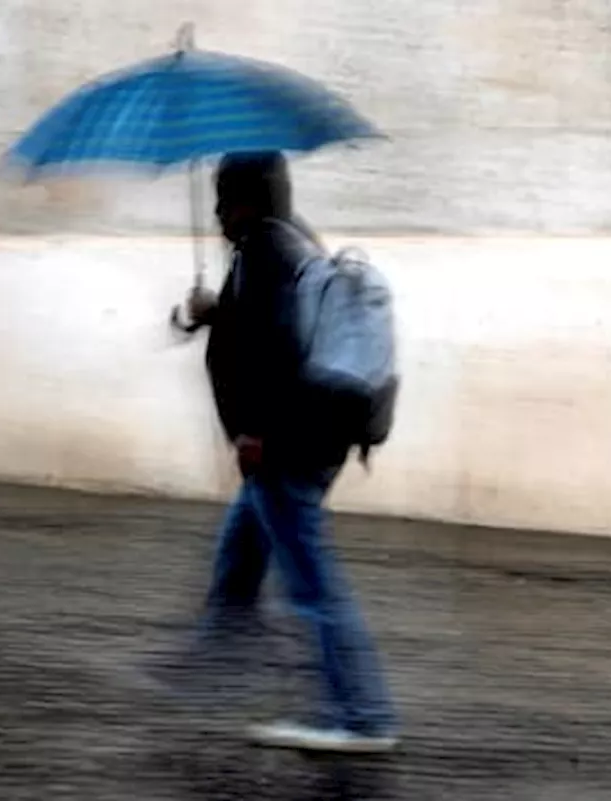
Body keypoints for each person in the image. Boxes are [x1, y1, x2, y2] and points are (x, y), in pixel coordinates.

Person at [176, 152, 398, 753]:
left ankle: (360, 714)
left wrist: (254, 433)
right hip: (304, 437)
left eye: (226, 198)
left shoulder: (267, 252)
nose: (220, 213)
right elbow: (268, 327)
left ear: (243, 199)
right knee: (240, 557)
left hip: (285, 445)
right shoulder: (286, 240)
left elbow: (273, 353)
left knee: (311, 581)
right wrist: (210, 314)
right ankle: (211, 661)